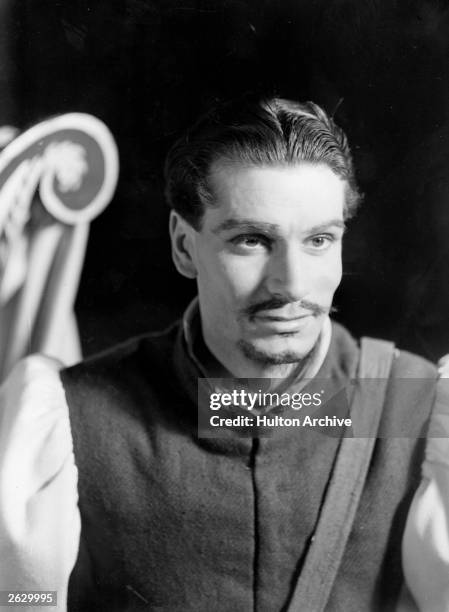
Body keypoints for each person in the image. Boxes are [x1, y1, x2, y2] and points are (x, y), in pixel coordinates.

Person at [0, 97, 448, 612]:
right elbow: (17, 597)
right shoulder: (73, 415)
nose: (292, 283)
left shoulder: (419, 409)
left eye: (320, 240)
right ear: (184, 246)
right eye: (253, 241)